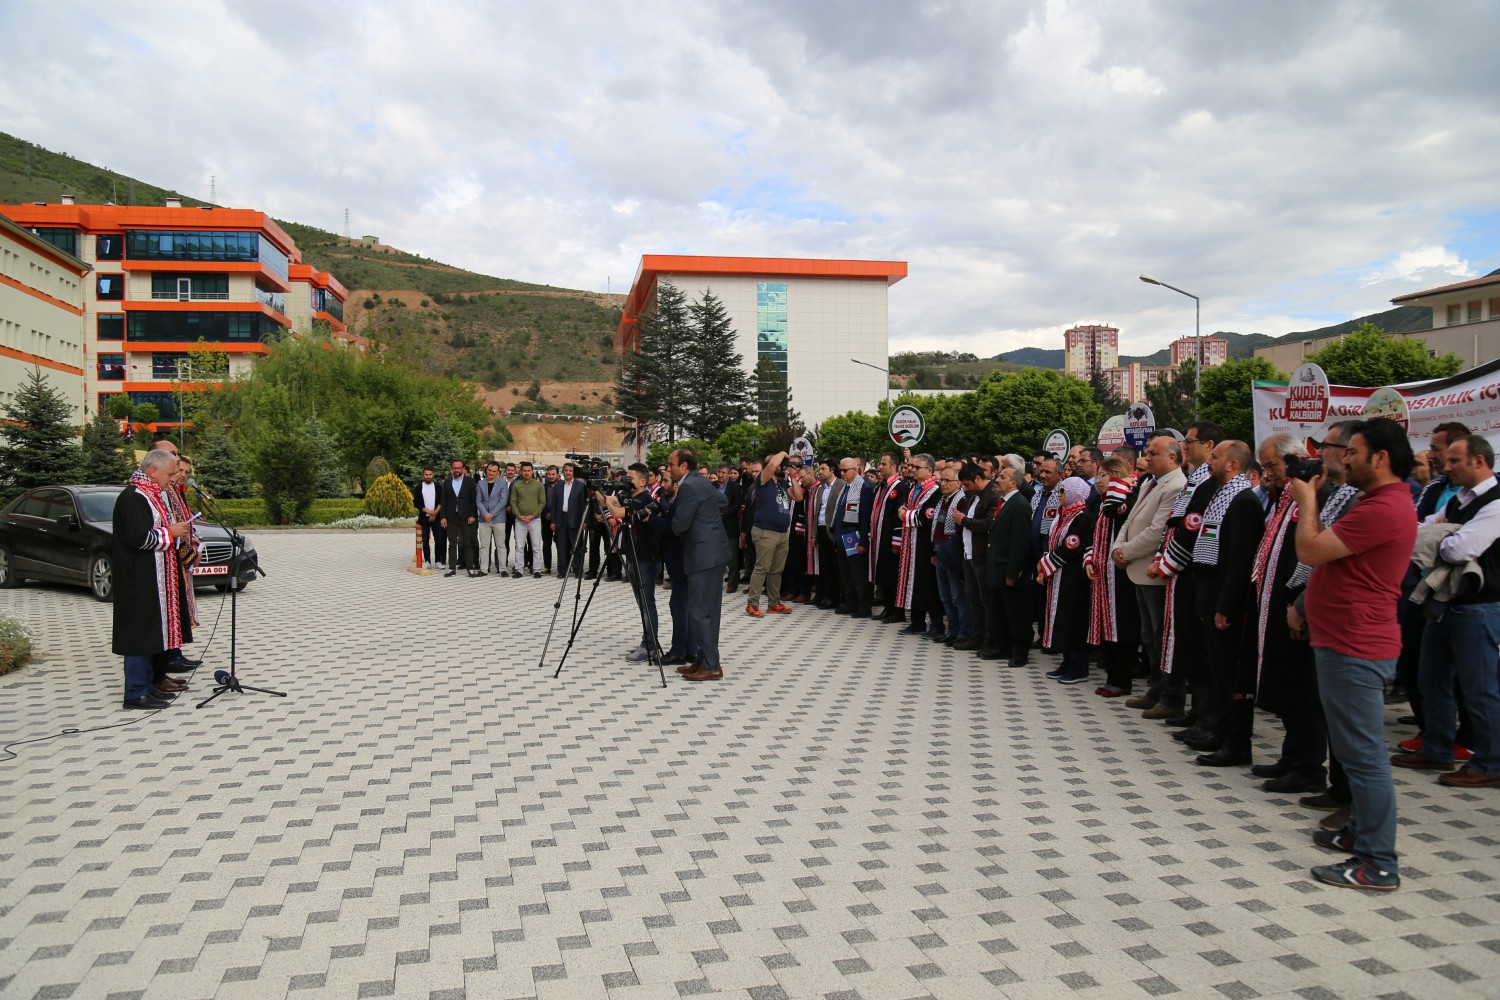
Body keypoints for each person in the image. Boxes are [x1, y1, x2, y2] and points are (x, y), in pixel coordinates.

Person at [1288, 418, 1418, 891]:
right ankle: (1361, 834)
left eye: (1353, 452)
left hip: (1355, 646)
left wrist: (1306, 502)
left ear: (1381, 458)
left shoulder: (1383, 507)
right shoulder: (1378, 502)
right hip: (1345, 640)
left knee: (1363, 758)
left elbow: (1310, 550)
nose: (1343, 459)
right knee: (1354, 751)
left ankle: (1378, 862)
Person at [1398, 434, 1500, 788]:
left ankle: (1491, 764)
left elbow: (1459, 549)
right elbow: (1419, 528)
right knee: (1431, 679)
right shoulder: (1460, 498)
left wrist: (1440, 536)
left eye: (1456, 460)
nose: (1447, 466)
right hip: (1445, 603)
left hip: (1478, 607)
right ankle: (1437, 747)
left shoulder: (1496, 503)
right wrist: (1443, 534)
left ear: (1479, 461)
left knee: (1480, 688)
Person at [1251, 434, 1328, 794]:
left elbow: (1310, 555)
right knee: (1285, 683)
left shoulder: (1312, 495)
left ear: (1294, 459)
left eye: (1271, 465)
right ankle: (1291, 755)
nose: (1267, 473)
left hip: (1297, 605)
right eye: (1264, 466)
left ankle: (1308, 766)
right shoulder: (1283, 496)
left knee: (1302, 690)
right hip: (1276, 603)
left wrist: (1297, 603)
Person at [1188, 440, 1264, 767]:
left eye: (1215, 457)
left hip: (1225, 605)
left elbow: (1239, 561)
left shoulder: (1243, 501)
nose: (1209, 461)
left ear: (1232, 465)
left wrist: (1225, 606)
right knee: (1216, 672)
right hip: (1209, 595)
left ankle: (1235, 743)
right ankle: (1219, 731)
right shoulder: (1221, 496)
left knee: (1230, 677)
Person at [114, 450, 194, 709]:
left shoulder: (152, 495)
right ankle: (135, 692)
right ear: (153, 472)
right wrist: (170, 531)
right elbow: (138, 538)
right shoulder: (134, 497)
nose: (173, 479)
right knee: (139, 635)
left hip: (156, 578)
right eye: (170, 474)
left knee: (152, 634)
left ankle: (149, 685)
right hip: (139, 578)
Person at [1117, 434, 1187, 715]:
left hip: (1154, 571)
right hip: (1137, 567)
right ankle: (1156, 688)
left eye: (1153, 453)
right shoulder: (1150, 482)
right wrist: (1117, 548)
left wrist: (1127, 552)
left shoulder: (1176, 485)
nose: (1146, 457)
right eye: (1146, 452)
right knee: (1148, 635)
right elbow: (1130, 521)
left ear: (1172, 457)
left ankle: (1170, 695)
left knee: (1161, 637)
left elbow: (1157, 531)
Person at [667, 448, 730, 680]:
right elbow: (722, 500)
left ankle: (711, 664)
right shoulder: (701, 482)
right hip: (712, 551)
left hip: (703, 554)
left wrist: (667, 516)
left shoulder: (690, 486)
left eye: (671, 464)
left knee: (698, 610)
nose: (668, 468)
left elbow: (679, 525)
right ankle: (704, 659)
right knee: (707, 610)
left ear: (684, 466)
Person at [1085, 457, 1139, 696]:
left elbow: (1120, 518)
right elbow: (1093, 537)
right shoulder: (1101, 503)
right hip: (1101, 575)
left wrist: (1120, 487)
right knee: (1106, 626)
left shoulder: (1124, 500)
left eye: (1104, 475)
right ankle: (1111, 676)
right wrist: (1089, 560)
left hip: (1119, 574)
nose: (1099, 480)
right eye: (1098, 475)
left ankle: (1122, 679)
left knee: (1121, 626)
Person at [1036, 476, 1097, 684]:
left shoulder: (1082, 516)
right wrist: (1046, 563)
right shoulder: (1064, 514)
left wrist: (1045, 565)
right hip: (1059, 573)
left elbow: (1073, 545)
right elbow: (1050, 539)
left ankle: (1078, 666)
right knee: (1063, 618)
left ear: (1074, 493)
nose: (1059, 495)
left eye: (1062, 491)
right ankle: (1067, 661)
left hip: (1073, 576)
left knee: (1074, 619)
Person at [603, 464, 664, 664]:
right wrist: (598, 492)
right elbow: (615, 507)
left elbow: (619, 514)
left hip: (645, 558)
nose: (627, 481)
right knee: (642, 603)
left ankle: (650, 646)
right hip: (633, 555)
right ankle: (647, 640)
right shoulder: (632, 498)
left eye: (631, 478)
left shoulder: (643, 499)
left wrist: (609, 503)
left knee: (647, 603)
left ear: (642, 482)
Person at [985, 467, 1034, 667]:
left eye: (1002, 477)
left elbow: (1020, 542)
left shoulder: (1019, 505)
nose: (997, 480)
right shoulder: (1005, 502)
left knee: (1016, 613)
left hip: (1008, 569)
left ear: (1013, 483)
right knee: (1001, 611)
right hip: (997, 566)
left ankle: (1020, 651)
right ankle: (1002, 645)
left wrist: (1013, 572)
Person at [745, 451, 801, 617]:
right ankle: (752, 604)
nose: (782, 466)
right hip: (765, 531)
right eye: (780, 463)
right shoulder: (763, 481)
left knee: (777, 570)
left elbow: (798, 496)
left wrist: (793, 477)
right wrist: (783, 453)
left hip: (782, 533)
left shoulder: (783, 484)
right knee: (762, 568)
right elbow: (770, 465)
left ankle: (774, 603)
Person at [894, 454, 942, 636]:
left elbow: (926, 517)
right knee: (913, 583)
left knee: (927, 584)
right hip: (910, 543)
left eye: (917, 467)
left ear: (929, 471)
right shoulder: (914, 488)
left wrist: (905, 515)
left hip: (924, 544)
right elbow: (907, 508)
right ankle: (917, 621)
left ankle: (937, 624)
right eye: (911, 466)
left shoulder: (935, 491)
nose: (912, 469)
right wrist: (906, 513)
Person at [834, 457, 875, 617]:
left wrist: (863, 542)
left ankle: (864, 606)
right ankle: (851, 602)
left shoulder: (863, 488)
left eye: (845, 470)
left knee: (858, 574)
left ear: (855, 469)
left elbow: (865, 518)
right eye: (841, 470)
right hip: (843, 536)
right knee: (846, 574)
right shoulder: (846, 487)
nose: (842, 473)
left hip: (854, 536)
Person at [931, 466, 968, 644]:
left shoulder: (962, 500)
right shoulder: (942, 500)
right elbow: (936, 528)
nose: (943, 483)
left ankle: (963, 632)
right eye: (942, 480)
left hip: (952, 554)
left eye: (948, 481)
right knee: (945, 596)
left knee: (957, 596)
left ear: (958, 483)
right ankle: (951, 631)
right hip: (940, 554)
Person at [440, 460, 479, 577]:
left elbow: (473, 500)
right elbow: (443, 501)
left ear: (463, 469)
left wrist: (473, 515)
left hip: (466, 517)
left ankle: (470, 568)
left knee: (467, 543)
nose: (457, 470)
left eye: (459, 468)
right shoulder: (446, 483)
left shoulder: (470, 482)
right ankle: (452, 568)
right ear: (452, 469)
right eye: (455, 468)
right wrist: (443, 517)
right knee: (452, 543)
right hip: (451, 517)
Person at [548, 462, 588, 579]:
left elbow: (583, 505)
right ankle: (562, 571)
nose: (568, 473)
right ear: (563, 472)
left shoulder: (580, 486)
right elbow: (554, 505)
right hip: (561, 519)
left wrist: (584, 521)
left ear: (573, 472)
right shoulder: (558, 486)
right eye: (566, 470)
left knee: (576, 546)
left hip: (575, 520)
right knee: (561, 546)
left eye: (570, 471)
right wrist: (553, 522)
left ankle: (577, 570)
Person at [507, 461, 546, 578]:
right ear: (521, 471)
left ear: (532, 471)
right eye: (524, 471)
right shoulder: (516, 485)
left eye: (529, 471)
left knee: (536, 546)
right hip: (520, 520)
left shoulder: (539, 485)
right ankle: (519, 570)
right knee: (519, 546)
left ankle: (537, 570)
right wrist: (518, 516)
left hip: (535, 520)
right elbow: (513, 502)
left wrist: (533, 515)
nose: (526, 473)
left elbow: (542, 502)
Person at [475, 462, 510, 574]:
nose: (491, 473)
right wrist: (485, 513)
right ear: (486, 471)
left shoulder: (503, 483)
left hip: (498, 519)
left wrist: (492, 513)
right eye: (489, 470)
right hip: (484, 519)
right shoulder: (481, 483)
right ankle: (484, 569)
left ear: (498, 472)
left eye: (494, 471)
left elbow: (503, 501)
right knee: (484, 545)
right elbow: (478, 501)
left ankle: (503, 569)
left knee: (500, 545)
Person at [716, 463, 742, 594]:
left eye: (723, 472)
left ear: (728, 473)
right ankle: (715, 581)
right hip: (714, 526)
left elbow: (737, 504)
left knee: (732, 556)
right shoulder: (712, 486)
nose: (720, 475)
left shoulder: (735, 487)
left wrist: (723, 514)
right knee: (715, 556)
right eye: (719, 472)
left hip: (729, 525)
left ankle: (733, 582)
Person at [413, 466, 446, 569]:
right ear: (423, 475)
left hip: (436, 517)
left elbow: (441, 502)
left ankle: (438, 561)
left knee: (439, 539)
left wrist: (434, 514)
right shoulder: (419, 487)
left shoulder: (438, 487)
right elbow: (417, 503)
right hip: (424, 518)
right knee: (425, 540)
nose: (428, 477)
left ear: (433, 475)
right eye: (426, 474)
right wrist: (428, 512)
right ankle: (427, 561)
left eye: (430, 474)